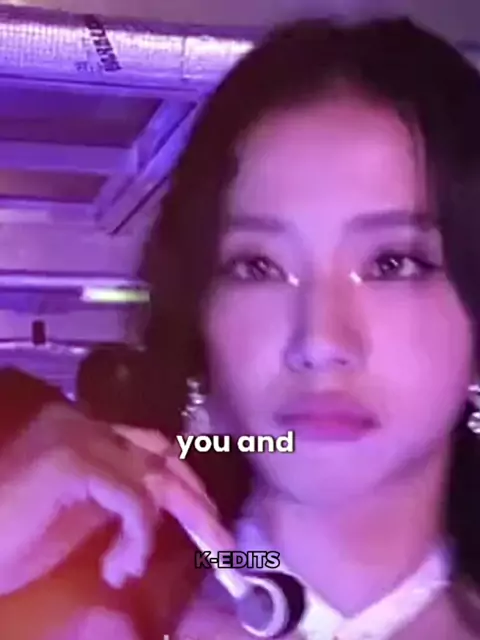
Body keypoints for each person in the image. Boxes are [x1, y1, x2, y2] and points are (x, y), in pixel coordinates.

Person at [3, 15, 480, 640]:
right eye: (258, 266)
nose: (319, 342)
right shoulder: (65, 610)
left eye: (393, 263)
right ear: (198, 313)